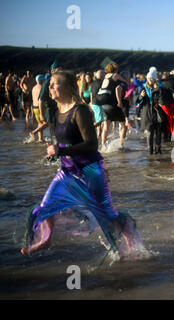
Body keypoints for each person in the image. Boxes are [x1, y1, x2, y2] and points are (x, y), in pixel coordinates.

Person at [21, 71, 142, 256]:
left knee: (107, 216)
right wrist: (54, 151)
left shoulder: (80, 110)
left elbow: (92, 144)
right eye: (50, 84)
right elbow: (65, 142)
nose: (50, 87)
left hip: (91, 171)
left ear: (68, 87)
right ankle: (46, 240)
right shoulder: (57, 111)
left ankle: (129, 238)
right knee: (46, 207)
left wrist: (61, 151)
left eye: (54, 83)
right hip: (67, 172)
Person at [97, 62, 127, 149]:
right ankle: (121, 145)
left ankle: (103, 146)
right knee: (123, 125)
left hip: (104, 105)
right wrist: (119, 101)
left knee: (106, 127)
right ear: (115, 69)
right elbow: (119, 87)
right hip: (112, 104)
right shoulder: (115, 75)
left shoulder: (105, 77)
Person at [137, 70, 167, 154]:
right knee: (149, 133)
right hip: (147, 113)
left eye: (152, 78)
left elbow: (162, 101)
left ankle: (158, 150)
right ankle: (150, 150)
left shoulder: (159, 88)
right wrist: (141, 96)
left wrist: (160, 101)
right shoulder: (143, 88)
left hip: (157, 112)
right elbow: (138, 102)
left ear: (155, 79)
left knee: (158, 132)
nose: (150, 79)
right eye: (149, 77)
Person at [29, 75, 47, 142]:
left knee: (40, 124)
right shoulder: (42, 88)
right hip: (40, 107)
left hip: (35, 107)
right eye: (44, 80)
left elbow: (33, 99)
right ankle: (33, 132)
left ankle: (40, 139)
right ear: (41, 80)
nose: (45, 81)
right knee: (46, 123)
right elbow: (41, 100)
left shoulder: (34, 88)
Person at [90, 70, 105, 137]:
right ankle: (87, 129)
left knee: (98, 119)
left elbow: (91, 93)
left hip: (93, 103)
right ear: (102, 76)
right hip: (98, 103)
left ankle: (98, 134)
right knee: (100, 121)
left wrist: (91, 102)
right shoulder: (102, 83)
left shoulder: (93, 83)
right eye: (104, 74)